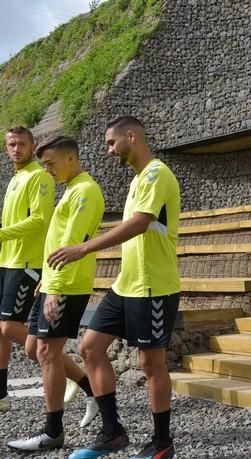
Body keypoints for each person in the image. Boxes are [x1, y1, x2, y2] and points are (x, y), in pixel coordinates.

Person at [48, 117, 180, 459]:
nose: (108, 151)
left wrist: (83, 248)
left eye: (111, 143)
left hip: (153, 287)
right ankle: (113, 433)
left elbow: (139, 224)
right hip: (127, 284)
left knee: (151, 365)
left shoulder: (155, 173)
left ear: (131, 137)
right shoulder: (139, 178)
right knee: (90, 347)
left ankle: (162, 443)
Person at [7, 136, 104, 451]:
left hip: (66, 286)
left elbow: (73, 242)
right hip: (50, 282)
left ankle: (52, 433)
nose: (46, 169)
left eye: (50, 163)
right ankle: (91, 389)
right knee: (33, 349)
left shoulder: (86, 191)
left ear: (71, 158)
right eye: (44, 163)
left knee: (47, 352)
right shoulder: (72, 189)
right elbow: (58, 239)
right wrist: (45, 281)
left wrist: (56, 288)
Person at [0, 127, 55, 412]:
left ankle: (68, 375)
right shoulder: (16, 178)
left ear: (33, 147)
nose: (16, 148)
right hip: (6, 261)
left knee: (10, 326)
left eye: (22, 144)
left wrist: (1, 234)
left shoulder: (39, 176)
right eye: (11, 144)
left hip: (27, 263)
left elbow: (40, 220)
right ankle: (1, 397)